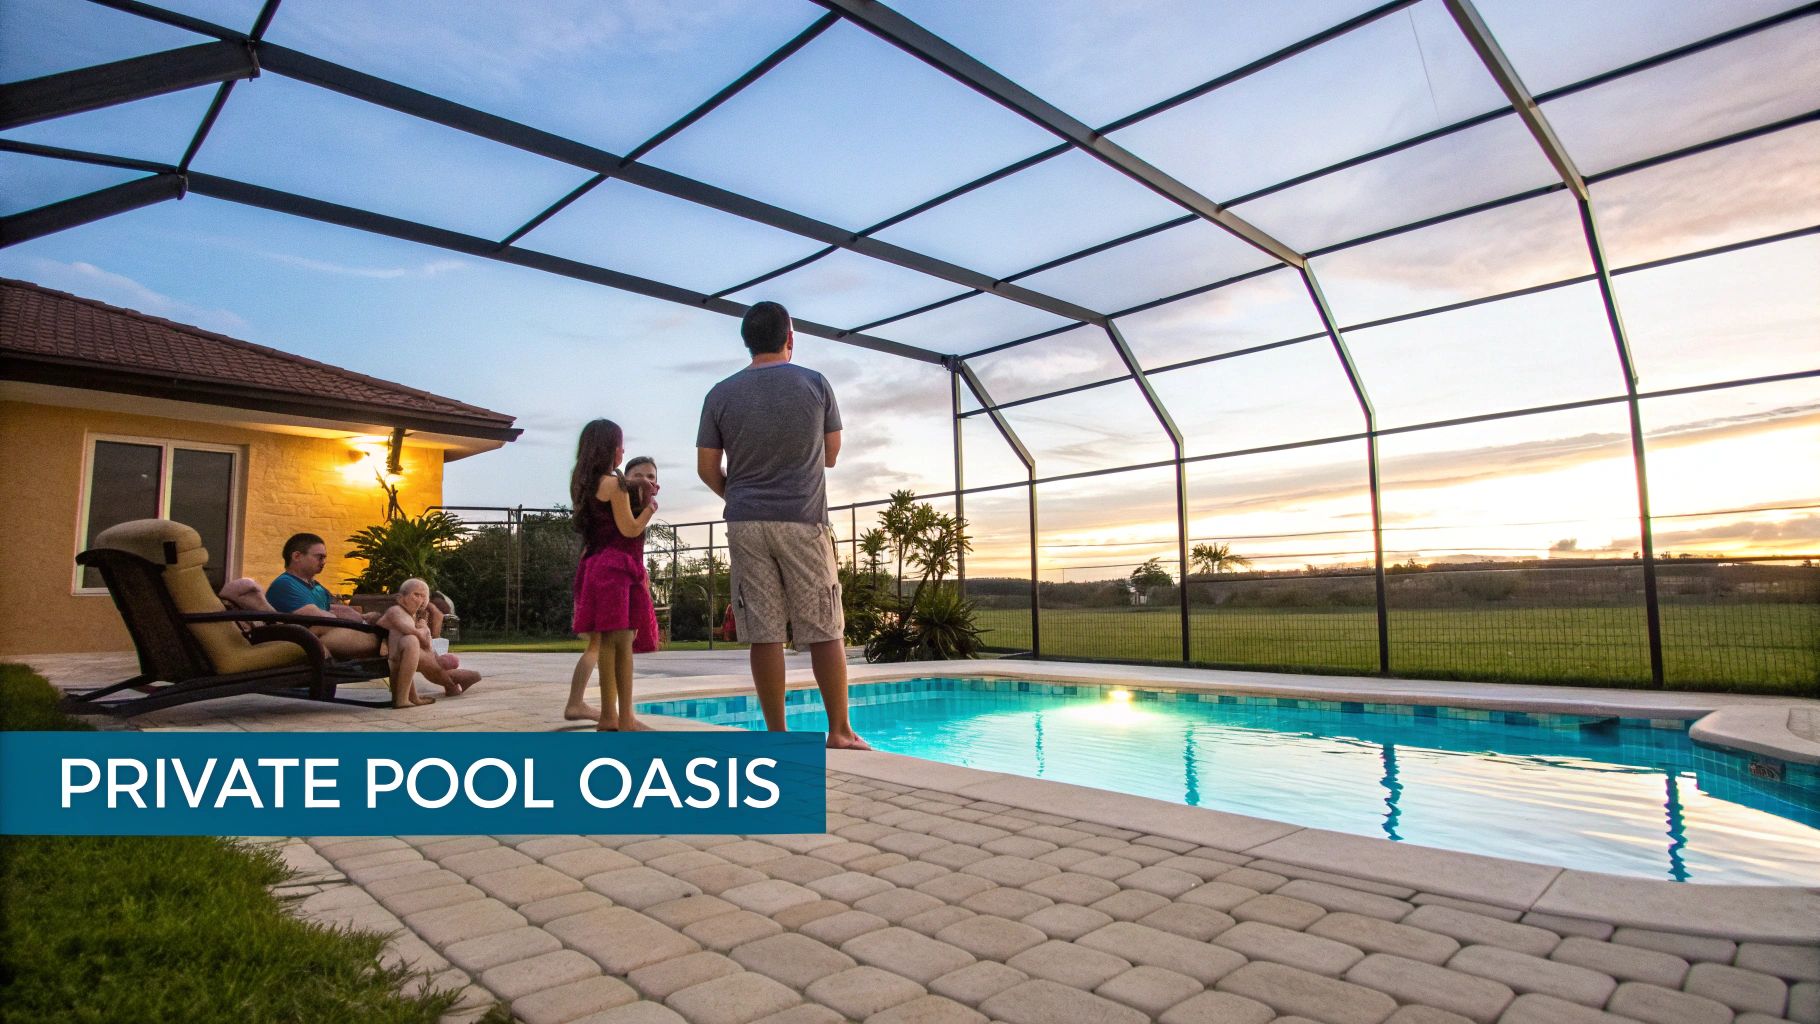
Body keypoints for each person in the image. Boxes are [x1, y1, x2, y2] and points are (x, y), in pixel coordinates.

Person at [696, 301, 868, 750]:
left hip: (745, 524)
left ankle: (777, 737)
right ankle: (839, 731)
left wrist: (739, 495)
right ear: (790, 337)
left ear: (747, 340)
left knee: (764, 631)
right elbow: (831, 454)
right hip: (802, 520)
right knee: (824, 626)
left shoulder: (720, 393)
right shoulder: (815, 384)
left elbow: (706, 468)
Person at [259, 533, 474, 707]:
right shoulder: (285, 584)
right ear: (297, 556)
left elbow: (337, 609)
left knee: (401, 638)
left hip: (334, 632)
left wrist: (363, 617)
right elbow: (318, 615)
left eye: (324, 557)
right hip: (313, 640)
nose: (324, 561)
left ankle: (447, 680)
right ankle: (448, 680)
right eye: (319, 557)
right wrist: (359, 621)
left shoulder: (315, 586)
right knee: (402, 640)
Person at [567, 421, 658, 731]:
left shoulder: (583, 483)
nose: (623, 450)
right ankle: (625, 718)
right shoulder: (613, 484)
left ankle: (609, 716)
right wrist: (650, 509)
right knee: (622, 645)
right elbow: (629, 529)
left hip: (595, 566)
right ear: (609, 448)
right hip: (616, 568)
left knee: (607, 643)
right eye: (620, 445)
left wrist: (634, 486)